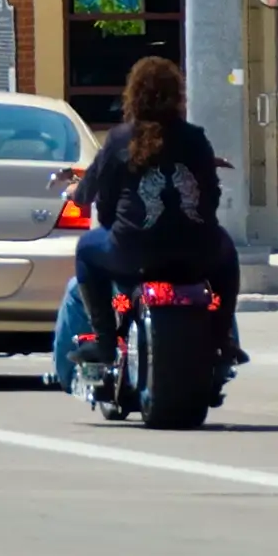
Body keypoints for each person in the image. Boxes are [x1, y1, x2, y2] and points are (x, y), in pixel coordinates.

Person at [69, 56, 244, 368]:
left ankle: (106, 342)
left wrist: (78, 195)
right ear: (178, 95)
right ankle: (220, 338)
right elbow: (211, 197)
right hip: (196, 254)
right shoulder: (195, 138)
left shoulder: (120, 138)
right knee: (228, 253)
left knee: (85, 250)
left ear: (133, 95)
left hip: (132, 253)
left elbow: (94, 195)